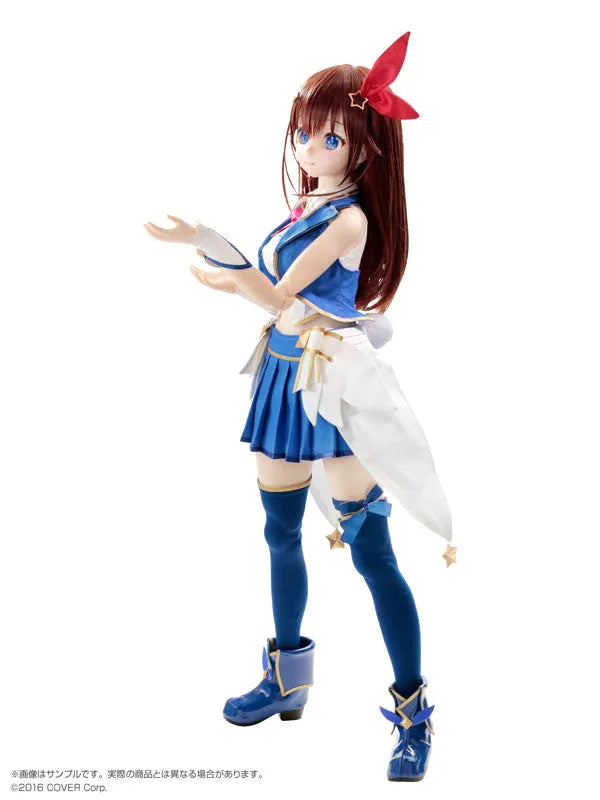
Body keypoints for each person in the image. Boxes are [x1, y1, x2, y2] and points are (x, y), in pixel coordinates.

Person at [144, 32, 455, 782]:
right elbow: (275, 297)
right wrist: (221, 264)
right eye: (307, 133)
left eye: (331, 138)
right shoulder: (307, 206)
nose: (312, 149)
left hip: (333, 387)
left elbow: (278, 294)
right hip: (283, 377)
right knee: (279, 532)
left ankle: (413, 713)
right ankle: (288, 676)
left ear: (365, 146)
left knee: (373, 554)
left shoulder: (348, 219)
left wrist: (214, 249)